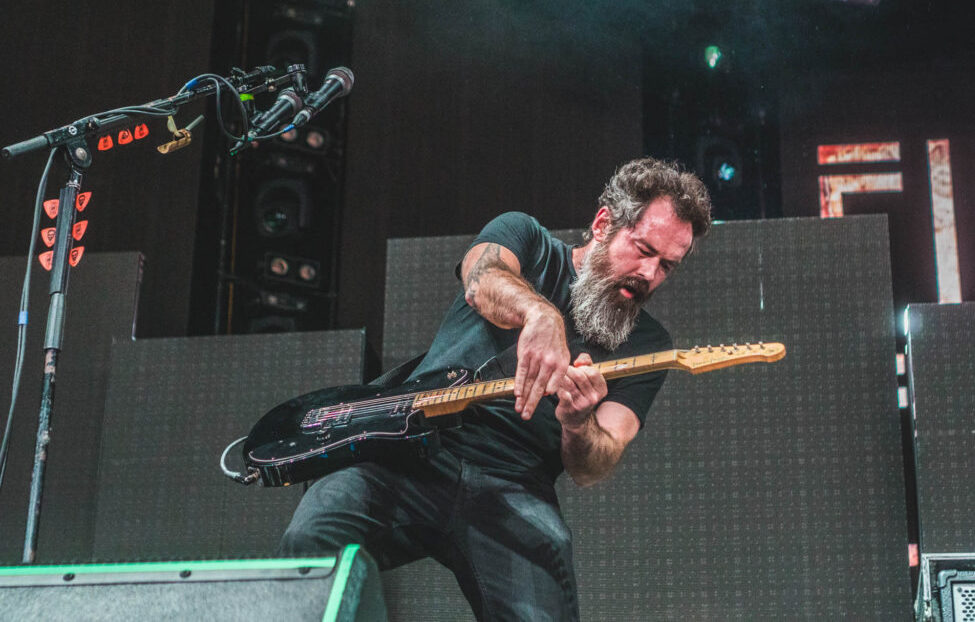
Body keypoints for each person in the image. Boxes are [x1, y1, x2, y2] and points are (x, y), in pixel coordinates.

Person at [279, 158, 712, 620]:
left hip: (515, 487)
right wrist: (539, 314)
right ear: (604, 224)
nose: (650, 274)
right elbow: (481, 277)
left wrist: (578, 422)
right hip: (409, 450)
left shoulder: (650, 344)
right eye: (644, 250)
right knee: (310, 546)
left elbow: (594, 466)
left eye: (666, 266)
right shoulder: (525, 237)